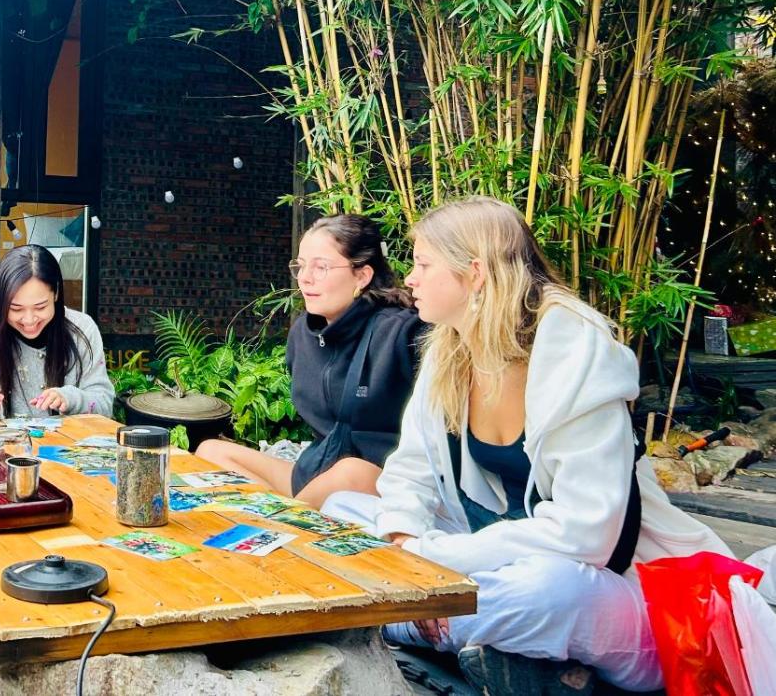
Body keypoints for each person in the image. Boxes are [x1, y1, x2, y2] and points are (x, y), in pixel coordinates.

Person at [322, 197, 730, 693]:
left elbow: (586, 537)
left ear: (474, 273)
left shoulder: (574, 355)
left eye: (424, 264)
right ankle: (453, 627)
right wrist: (405, 545)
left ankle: (388, 618)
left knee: (546, 590)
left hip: (618, 597)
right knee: (342, 510)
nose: (410, 279)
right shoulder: (451, 349)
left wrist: (433, 565)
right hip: (494, 561)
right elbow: (410, 470)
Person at [195, 214, 423, 508]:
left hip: (378, 483)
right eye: (301, 266)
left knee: (352, 470)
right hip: (315, 473)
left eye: (321, 267)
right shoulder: (304, 333)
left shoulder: (403, 333)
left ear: (362, 276)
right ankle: (281, 515)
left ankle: (281, 521)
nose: (305, 278)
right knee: (211, 452)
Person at [0, 244, 114, 422]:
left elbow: (104, 405)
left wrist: (70, 398)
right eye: (16, 309)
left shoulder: (82, 330)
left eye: (40, 307)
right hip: (9, 441)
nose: (29, 320)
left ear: (56, 293)